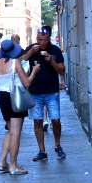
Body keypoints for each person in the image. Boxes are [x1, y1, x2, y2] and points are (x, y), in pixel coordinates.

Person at [0, 39, 41, 175]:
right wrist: (34, 72)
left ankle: (2, 162)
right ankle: (13, 166)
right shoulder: (15, 63)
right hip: (14, 96)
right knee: (15, 132)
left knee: (10, 130)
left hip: (2, 95)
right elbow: (26, 83)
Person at [21, 26, 67, 161]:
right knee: (37, 122)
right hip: (35, 92)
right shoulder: (32, 48)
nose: (42, 43)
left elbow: (62, 71)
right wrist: (30, 53)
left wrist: (51, 60)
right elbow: (19, 63)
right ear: (36, 39)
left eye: (45, 40)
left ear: (49, 39)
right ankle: (42, 151)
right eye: (39, 40)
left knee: (56, 120)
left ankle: (58, 145)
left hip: (52, 91)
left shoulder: (55, 50)